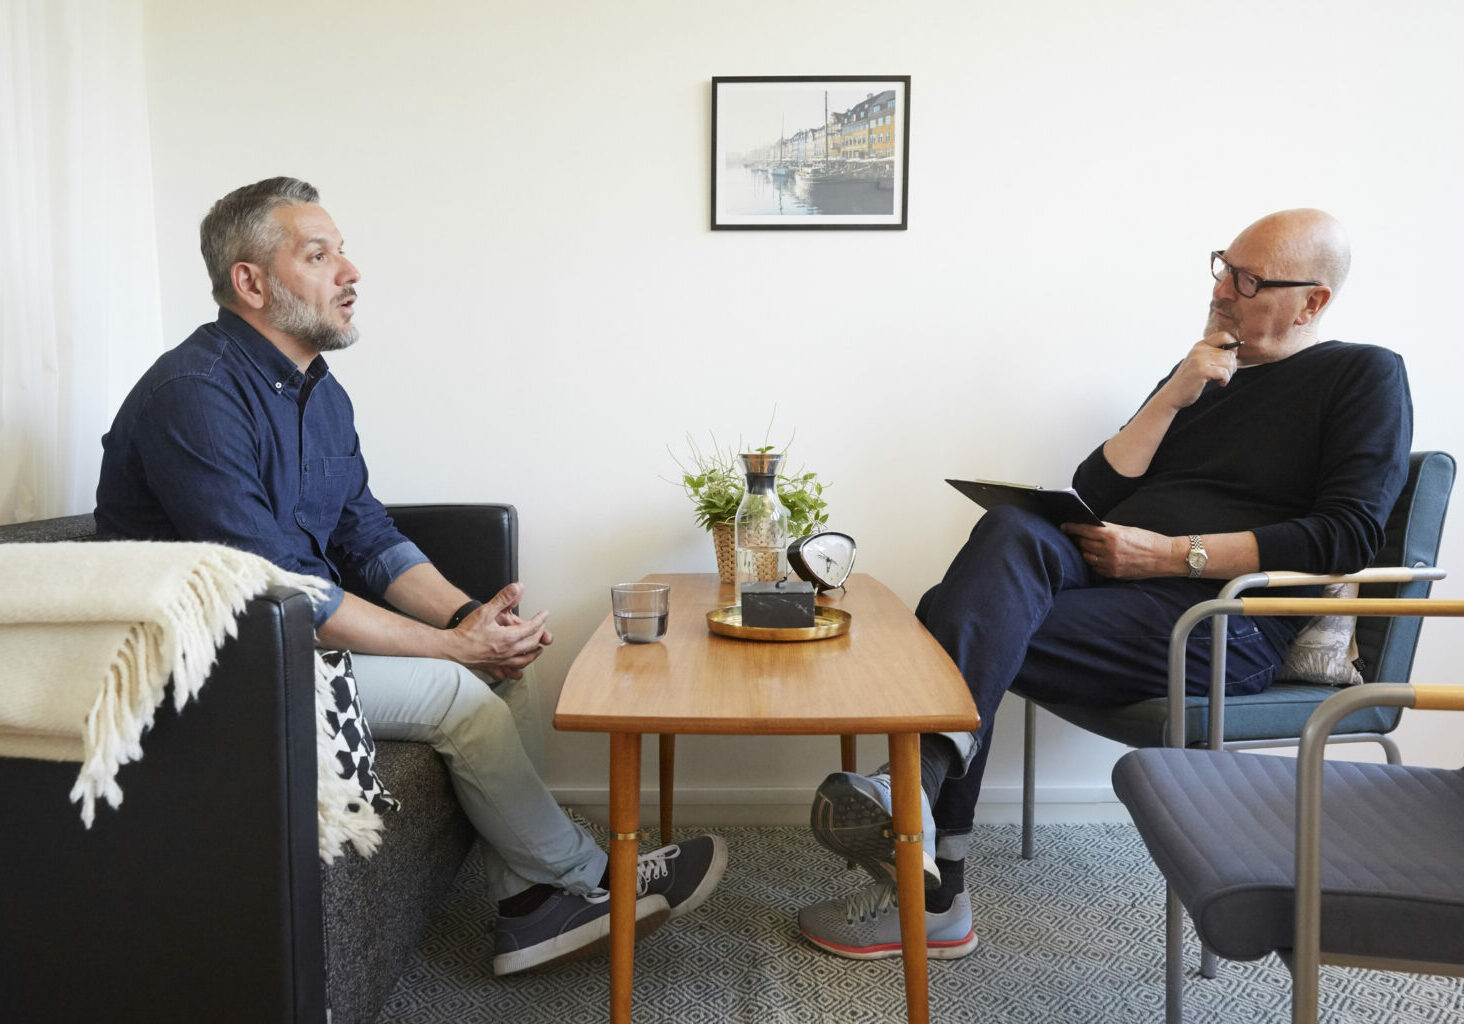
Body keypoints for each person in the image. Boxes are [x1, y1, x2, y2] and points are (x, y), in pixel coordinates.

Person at [94, 176, 726, 976]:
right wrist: (446, 653)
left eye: (343, 252)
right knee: (461, 693)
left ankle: (530, 903)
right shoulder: (196, 395)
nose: (349, 272)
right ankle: (579, 877)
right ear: (250, 283)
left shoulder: (320, 395)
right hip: (224, 671)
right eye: (318, 255)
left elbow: (365, 533)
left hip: (296, 639)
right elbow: (273, 588)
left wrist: (469, 621)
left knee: (503, 674)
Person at [797, 208, 1412, 960]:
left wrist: (1170, 556)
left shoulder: (1363, 374)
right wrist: (1173, 393)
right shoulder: (1201, 372)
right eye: (1222, 266)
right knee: (1012, 530)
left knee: (956, 625)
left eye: (1249, 280)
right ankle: (925, 838)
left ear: (1312, 300)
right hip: (1107, 584)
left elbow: (1345, 535)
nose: (1222, 288)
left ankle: (932, 861)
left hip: (1221, 622)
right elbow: (1097, 490)